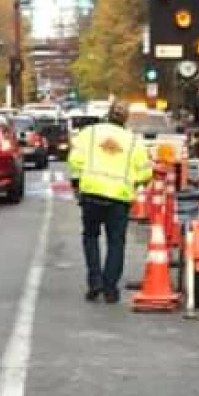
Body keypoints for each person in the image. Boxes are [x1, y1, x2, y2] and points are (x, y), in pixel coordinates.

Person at [68, 104, 154, 303]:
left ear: (107, 116)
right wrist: (137, 182)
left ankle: (95, 281)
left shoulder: (88, 134)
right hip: (118, 198)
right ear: (125, 120)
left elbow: (75, 161)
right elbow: (144, 172)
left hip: (91, 192)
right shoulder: (134, 142)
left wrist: (76, 183)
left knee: (90, 237)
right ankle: (110, 288)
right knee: (116, 242)